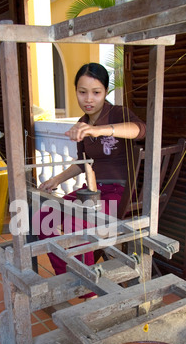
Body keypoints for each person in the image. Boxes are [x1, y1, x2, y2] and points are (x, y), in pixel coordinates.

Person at [36, 62, 146, 286]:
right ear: (75, 91)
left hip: (120, 193)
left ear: (105, 92)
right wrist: (56, 180)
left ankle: (86, 289)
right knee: (43, 217)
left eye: (96, 93)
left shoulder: (117, 113)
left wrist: (99, 130)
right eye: (82, 92)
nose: (89, 99)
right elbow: (81, 163)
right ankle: (70, 280)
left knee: (77, 222)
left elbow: (141, 130)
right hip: (93, 192)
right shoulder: (81, 124)